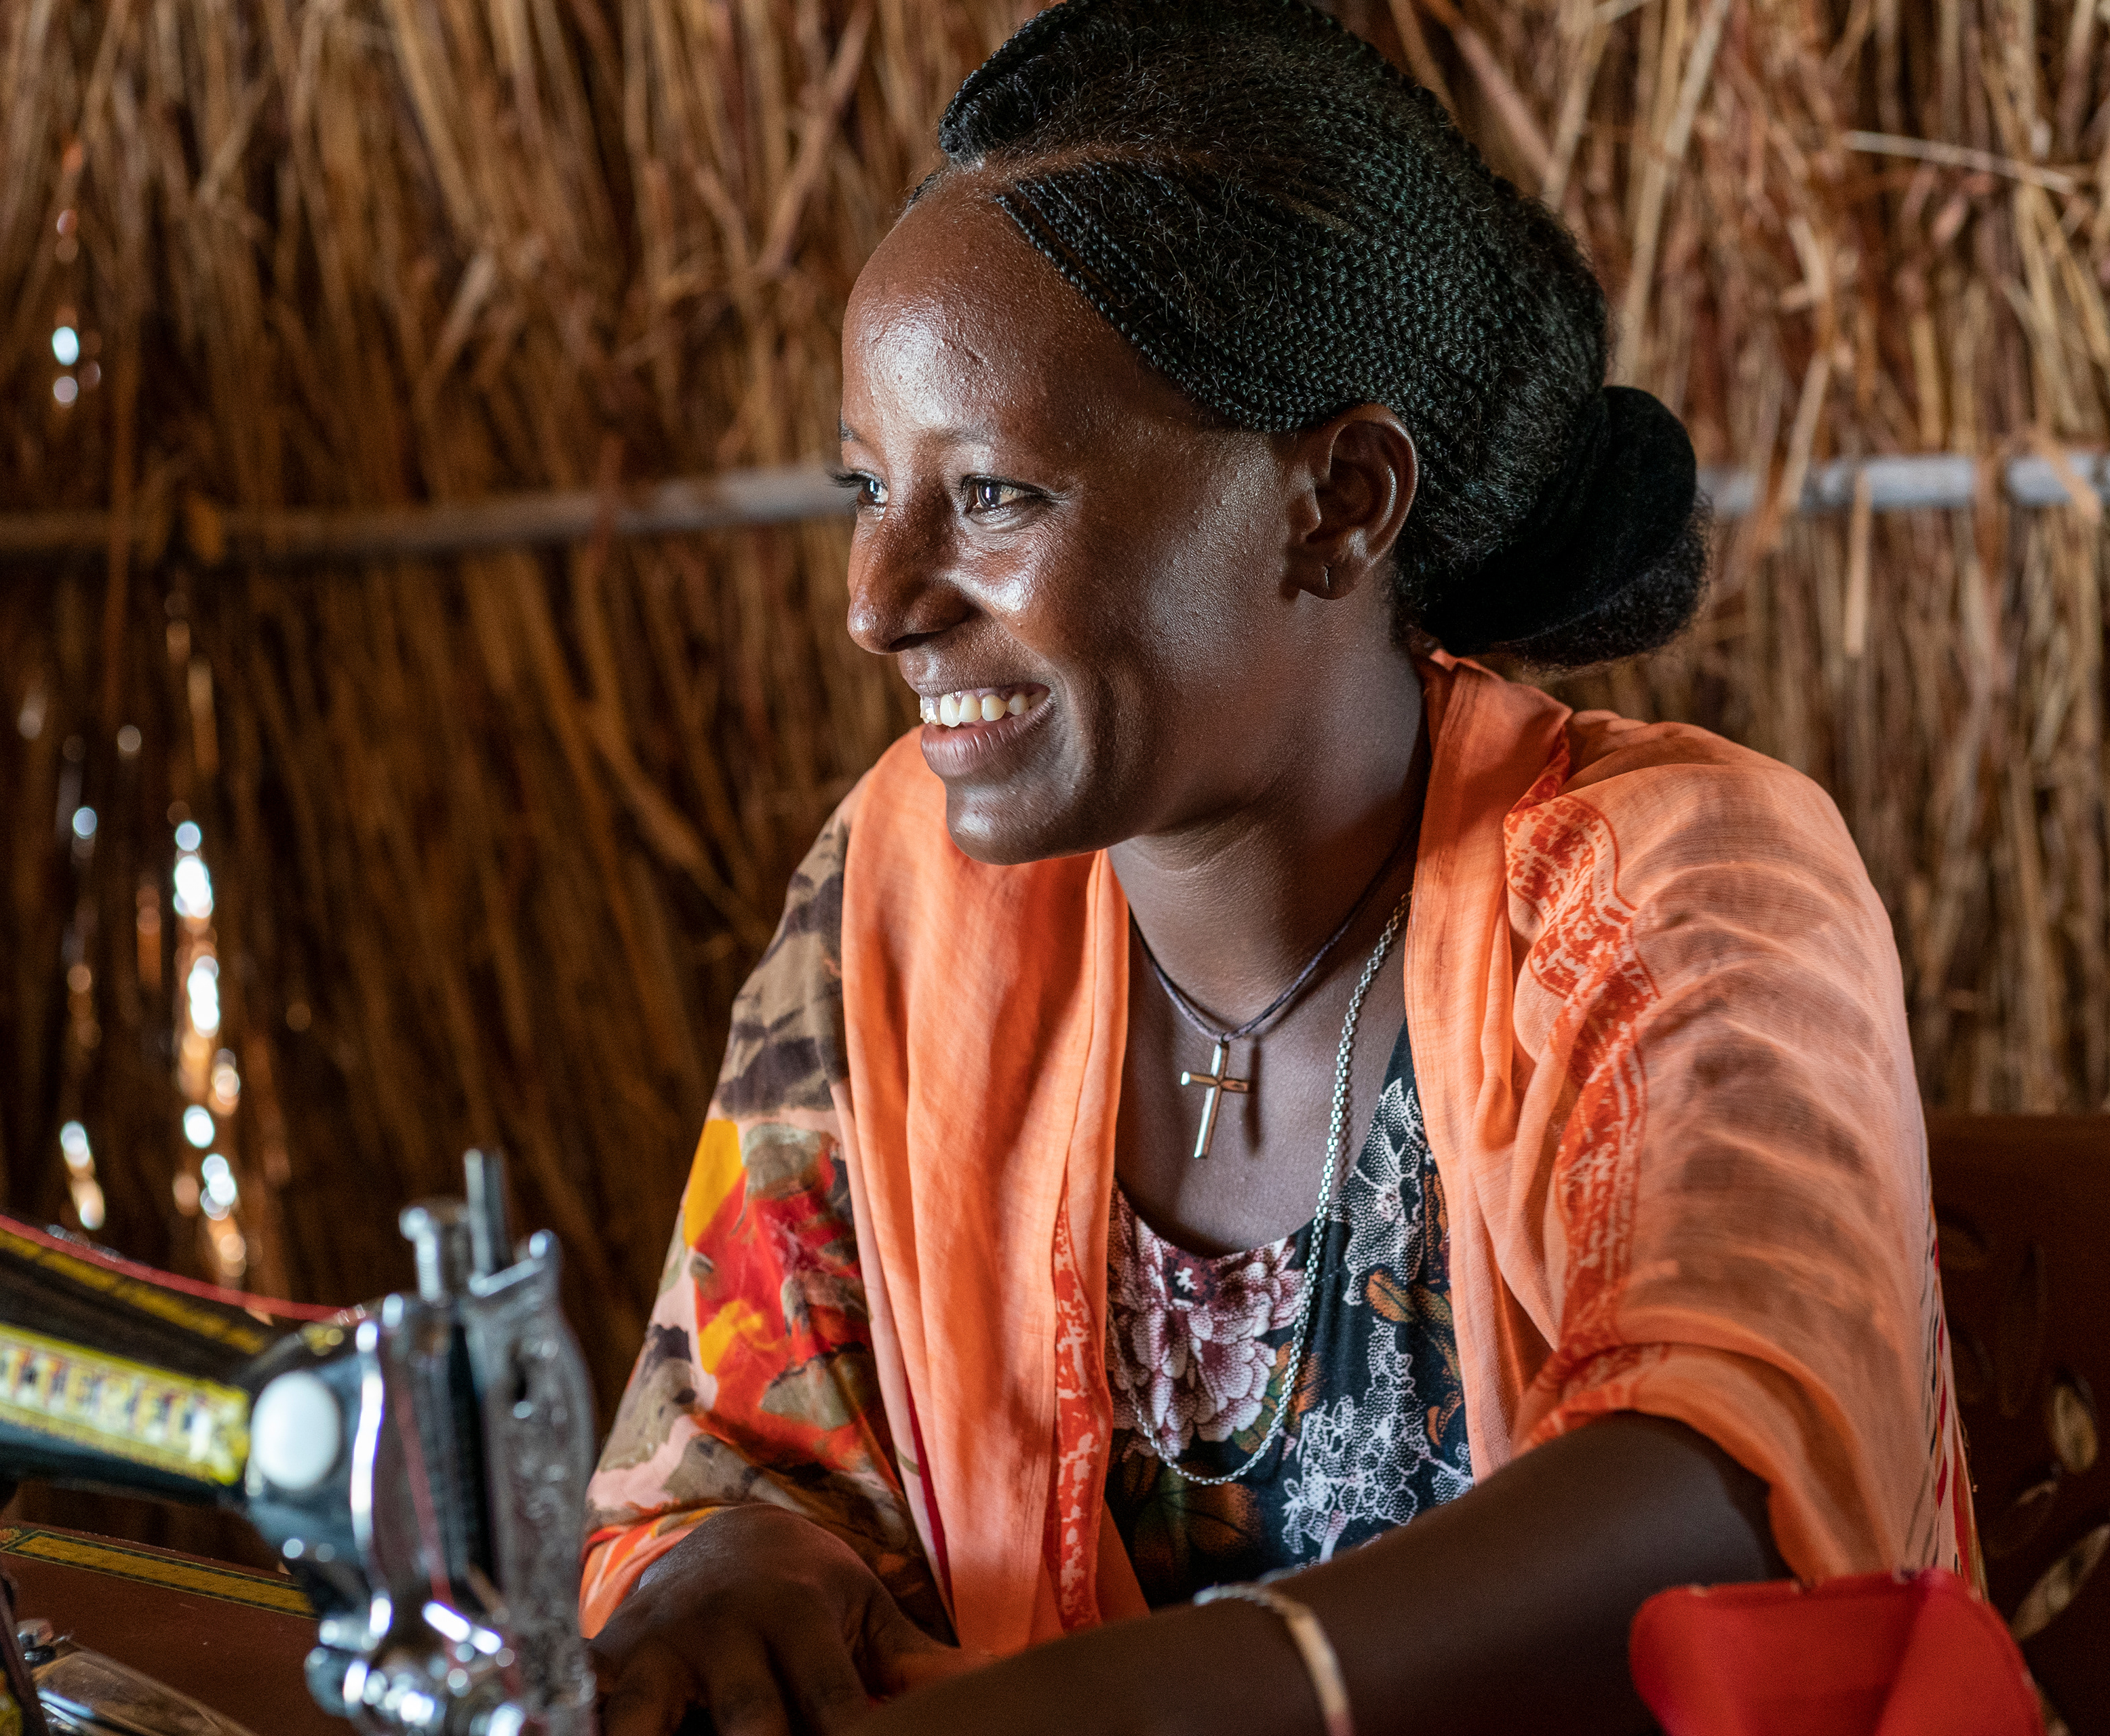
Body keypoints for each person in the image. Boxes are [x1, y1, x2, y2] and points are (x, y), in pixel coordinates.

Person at [582, 2, 1973, 1731]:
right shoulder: (899, 898)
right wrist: (740, 1556)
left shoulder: (1679, 886)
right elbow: (738, 1451)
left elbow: (1734, 1467)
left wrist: (1183, 1696)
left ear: (1339, 501)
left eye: (997, 494)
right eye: (870, 485)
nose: (878, 600)